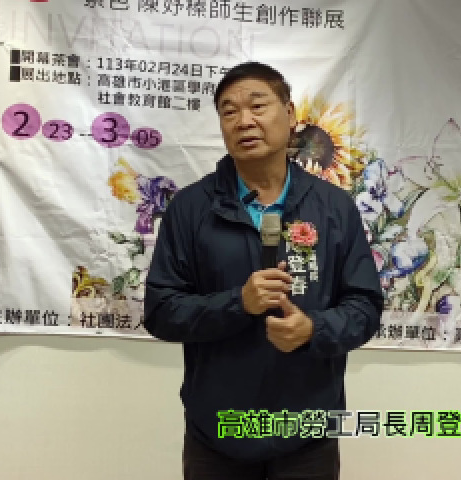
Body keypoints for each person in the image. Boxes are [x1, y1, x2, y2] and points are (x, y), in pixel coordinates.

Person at [143, 61, 384, 480]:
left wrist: (314, 329)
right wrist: (238, 303)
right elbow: (161, 310)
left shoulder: (334, 208)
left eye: (257, 106)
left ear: (289, 115)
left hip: (307, 431)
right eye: (229, 111)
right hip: (219, 432)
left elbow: (364, 307)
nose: (244, 121)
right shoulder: (191, 208)